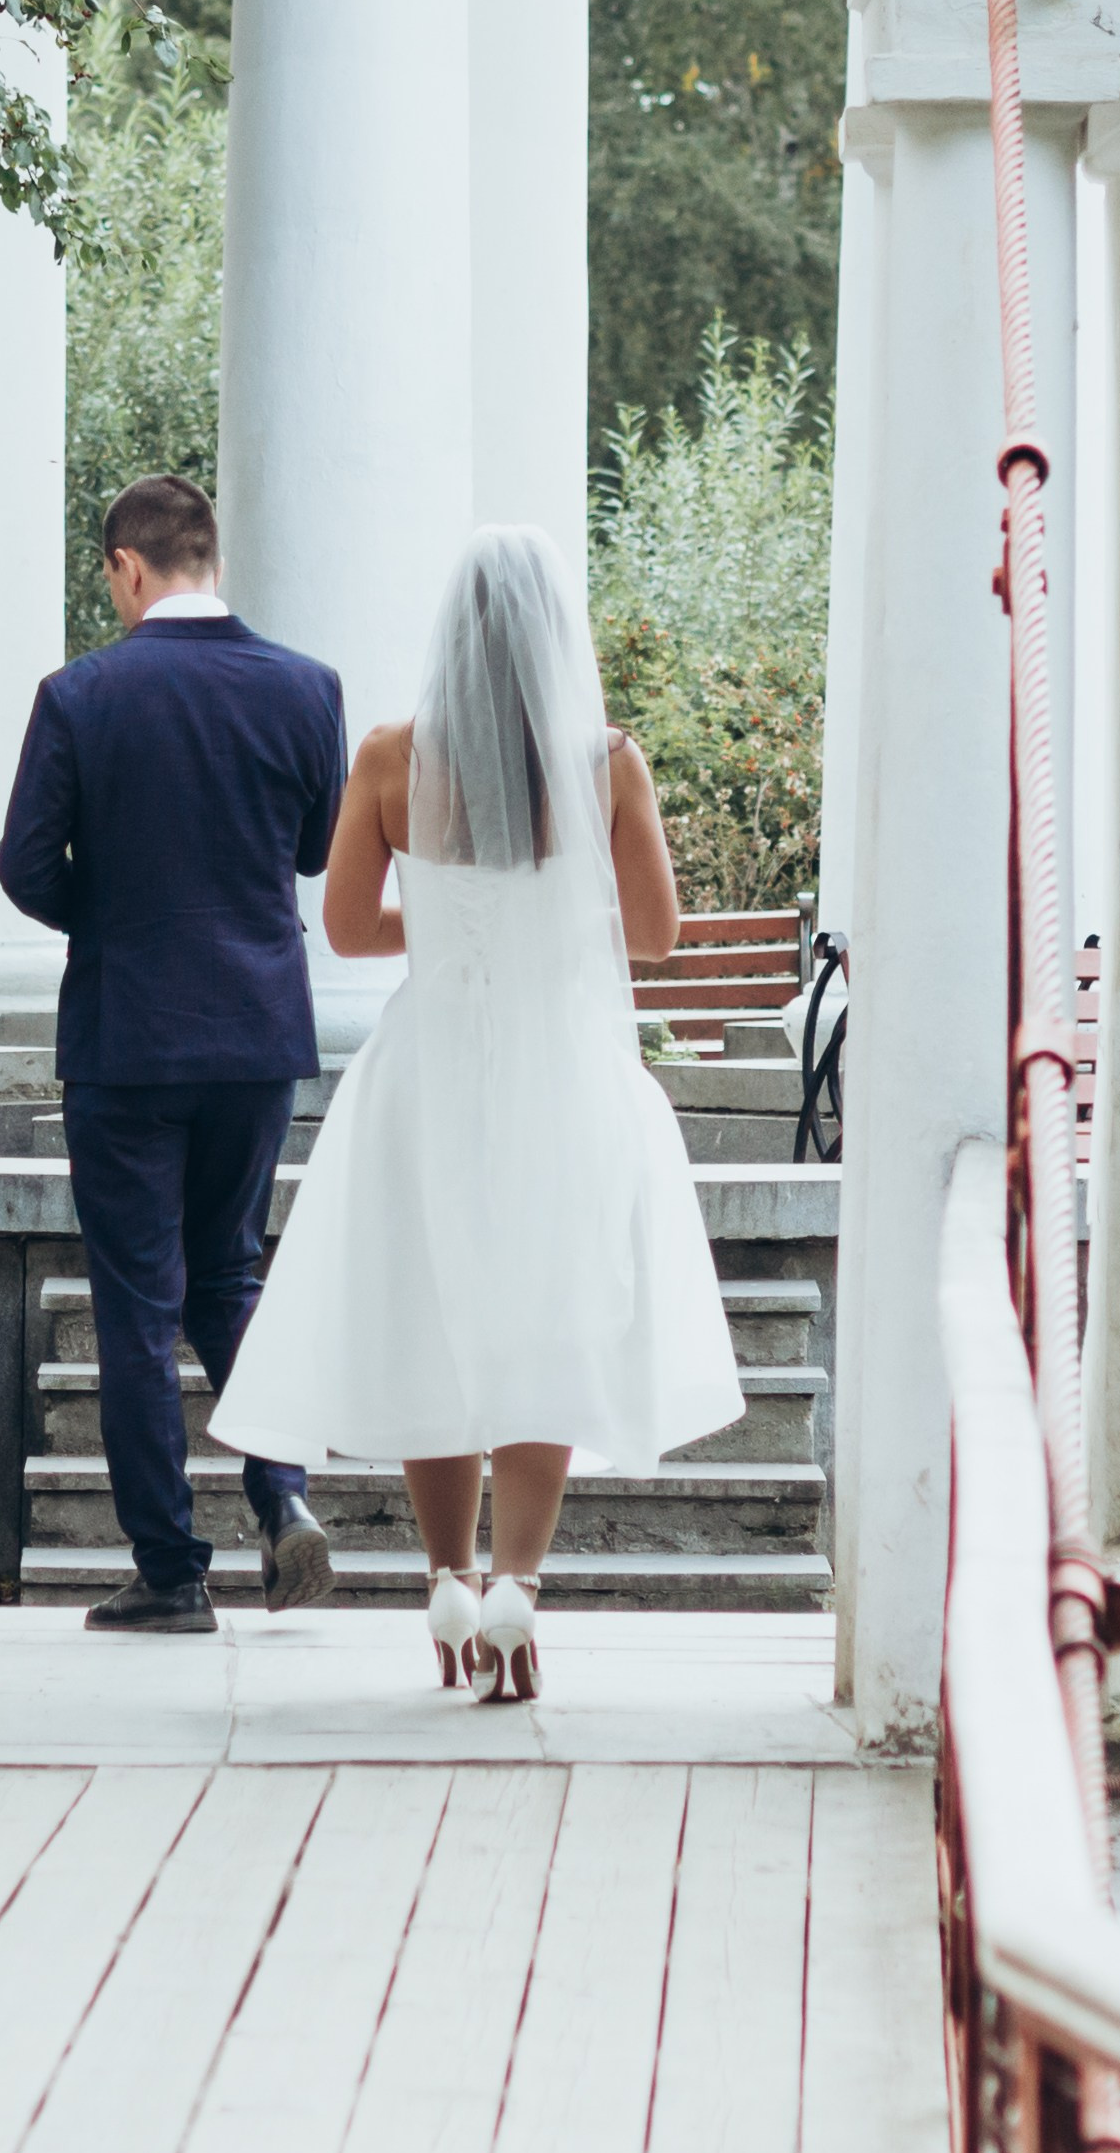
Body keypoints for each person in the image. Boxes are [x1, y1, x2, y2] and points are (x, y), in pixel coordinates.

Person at [210, 523, 743, 1699]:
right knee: (548, 1319)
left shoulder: (392, 759)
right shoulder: (608, 763)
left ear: (451, 631)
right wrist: (548, 915)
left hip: (428, 1072)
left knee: (428, 1318)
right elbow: (652, 936)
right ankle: (517, 1588)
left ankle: (445, 1576)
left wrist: (446, 924)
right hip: (562, 1070)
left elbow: (348, 929)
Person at [0, 473, 348, 1633]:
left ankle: (170, 1571)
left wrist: (112, 916)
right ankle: (282, 1497)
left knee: (141, 1300)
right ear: (208, 557)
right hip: (256, 1032)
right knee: (231, 1274)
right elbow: (310, 853)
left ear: (126, 567)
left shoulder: (81, 694)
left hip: (129, 1034)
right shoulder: (308, 689)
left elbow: (24, 863)